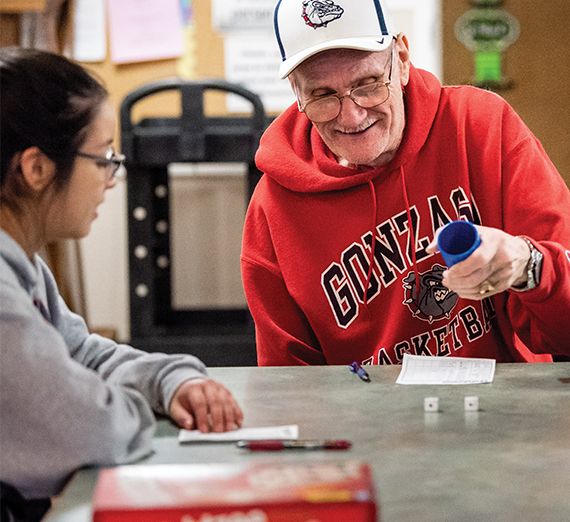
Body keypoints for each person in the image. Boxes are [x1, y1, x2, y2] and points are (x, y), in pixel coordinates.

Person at [241, 0, 570, 366]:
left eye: (367, 85)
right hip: (365, 418)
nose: (352, 116)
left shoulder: (482, 128)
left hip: (506, 411)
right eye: (322, 96)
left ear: (401, 59)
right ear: (296, 92)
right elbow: (290, 386)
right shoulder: (273, 208)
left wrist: (529, 267)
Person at [0, 47, 243, 521]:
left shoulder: (23, 262)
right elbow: (87, 429)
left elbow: (82, 355)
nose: (113, 177)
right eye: (103, 157)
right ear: (36, 169)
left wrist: (170, 381)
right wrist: (129, 403)